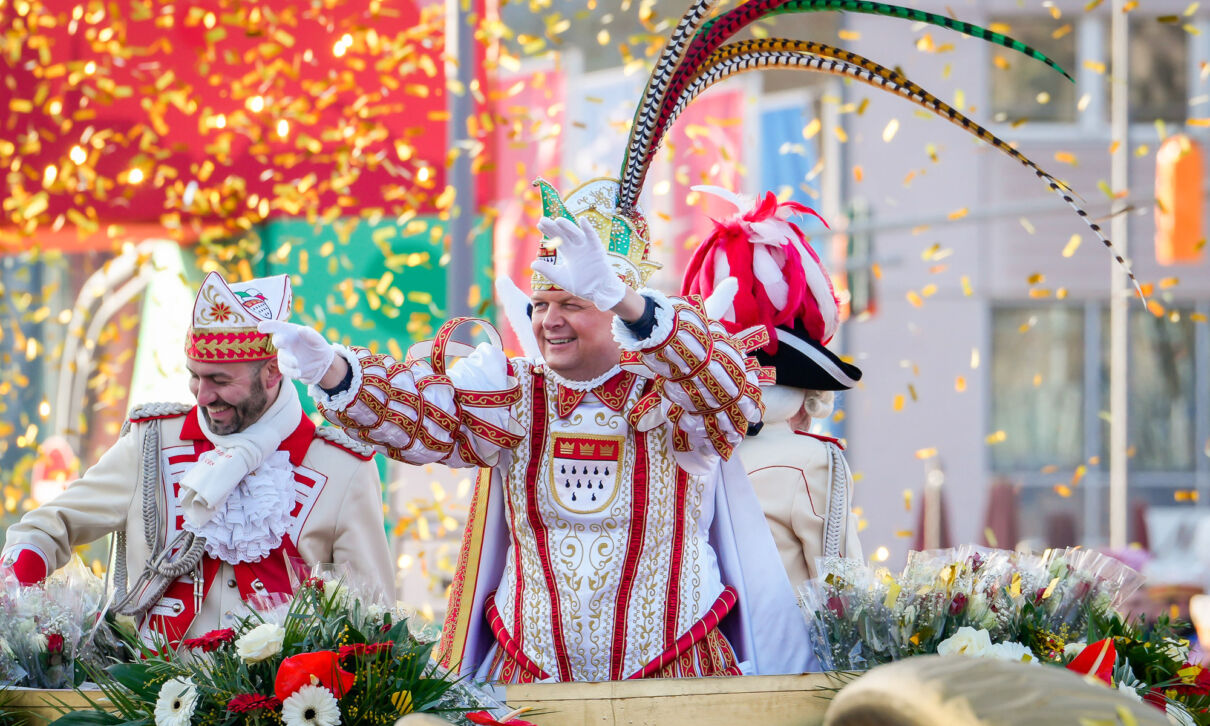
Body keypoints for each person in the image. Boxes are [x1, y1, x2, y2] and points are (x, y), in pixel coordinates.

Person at [263, 178, 814, 682]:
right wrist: (334, 373)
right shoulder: (510, 390)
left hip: (676, 668)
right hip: (529, 676)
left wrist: (628, 301)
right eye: (542, 303)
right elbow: (423, 422)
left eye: (573, 303)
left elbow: (730, 399)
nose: (549, 320)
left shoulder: (674, 389)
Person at [1, 272, 394, 647]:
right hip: (150, 705)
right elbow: (47, 527)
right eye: (195, 376)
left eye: (221, 380)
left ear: (273, 372)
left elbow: (373, 622)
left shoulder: (343, 469)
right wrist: (20, 595)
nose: (202, 396)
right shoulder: (151, 443)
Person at [681, 186, 863, 587]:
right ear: (807, 397)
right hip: (787, 646)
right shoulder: (814, 459)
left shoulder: (681, 456)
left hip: (702, 649)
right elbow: (843, 590)